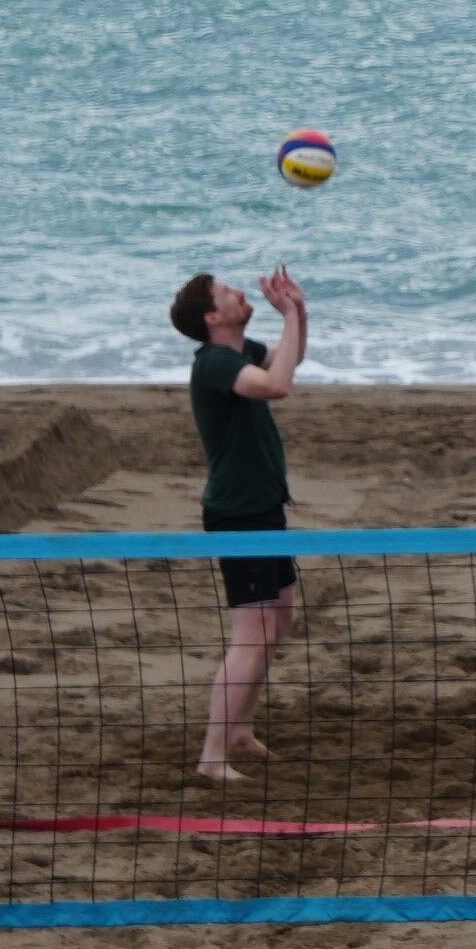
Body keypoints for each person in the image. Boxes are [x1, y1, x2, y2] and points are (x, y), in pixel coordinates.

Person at [172, 265, 308, 780]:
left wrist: (300, 313)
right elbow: (278, 386)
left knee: (280, 620)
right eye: (228, 292)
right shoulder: (213, 364)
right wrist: (290, 313)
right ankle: (212, 758)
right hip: (239, 515)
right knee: (251, 635)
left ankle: (241, 731)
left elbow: (290, 361)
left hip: (265, 508)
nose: (240, 292)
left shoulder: (239, 352)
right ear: (213, 317)